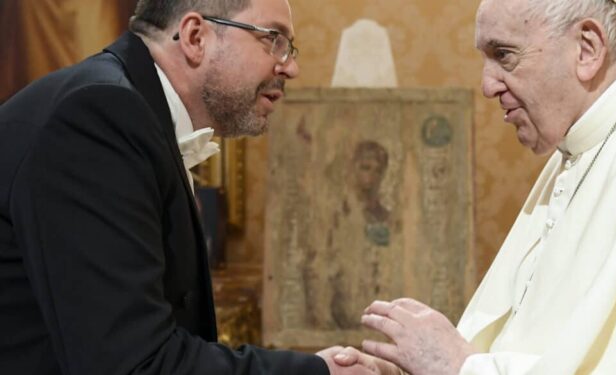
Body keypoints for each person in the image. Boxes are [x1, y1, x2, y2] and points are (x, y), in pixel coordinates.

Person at [329, 0, 616, 373]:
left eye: (504, 55)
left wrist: (460, 369)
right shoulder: (577, 149)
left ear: (587, 48)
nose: (487, 85)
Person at [0, 0, 374, 374]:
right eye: (273, 39)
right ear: (196, 37)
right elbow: (133, 363)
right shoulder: (99, 117)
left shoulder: (128, 109)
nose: (291, 67)